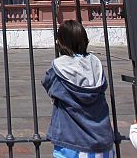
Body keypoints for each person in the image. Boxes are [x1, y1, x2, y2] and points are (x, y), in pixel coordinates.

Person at [42, 20, 115, 158]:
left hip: (71, 141)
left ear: (59, 42)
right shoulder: (95, 64)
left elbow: (47, 83)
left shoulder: (58, 68)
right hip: (102, 141)